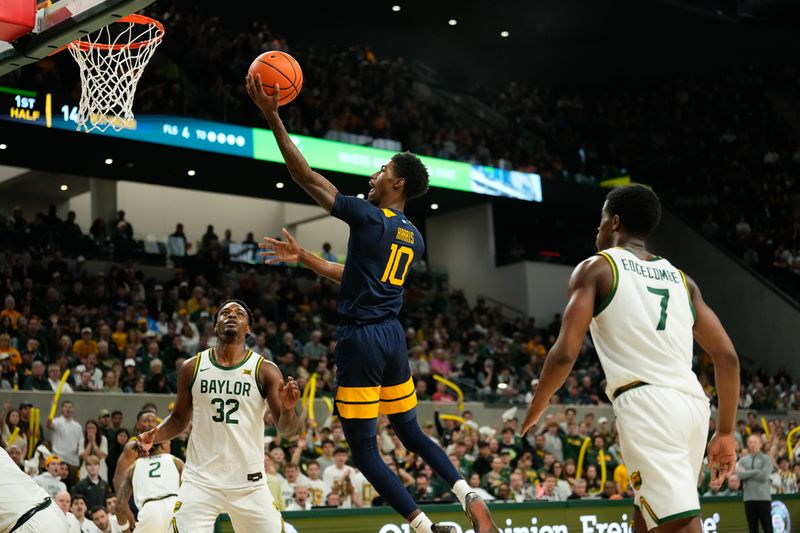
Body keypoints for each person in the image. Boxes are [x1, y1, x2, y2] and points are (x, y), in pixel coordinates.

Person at [248, 73, 499, 533]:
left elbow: (304, 177)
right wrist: (304, 257)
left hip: (361, 340)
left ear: (397, 183)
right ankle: (468, 494)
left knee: (363, 450)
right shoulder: (415, 238)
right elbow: (355, 276)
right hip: (392, 337)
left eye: (381, 170)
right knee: (411, 432)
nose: (373, 175)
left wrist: (272, 117)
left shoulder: (367, 215)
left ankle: (425, 528)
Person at [520, 184, 740, 533]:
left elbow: (564, 354)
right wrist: (725, 431)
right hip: (693, 407)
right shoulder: (683, 281)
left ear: (615, 222)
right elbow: (726, 356)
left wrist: (538, 403)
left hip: (648, 406)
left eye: (601, 221)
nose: (598, 229)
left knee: (680, 523)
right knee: (650, 514)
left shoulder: (596, 268)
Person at [137, 299, 300, 532]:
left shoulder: (265, 370)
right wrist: (157, 434)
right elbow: (179, 420)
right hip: (201, 481)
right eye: (225, 313)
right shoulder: (191, 367)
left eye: (239, 313)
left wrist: (288, 410)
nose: (232, 315)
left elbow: (287, 431)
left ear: (249, 328)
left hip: (249, 483)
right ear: (215, 326)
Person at [116, 441, 183, 533]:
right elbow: (191, 492)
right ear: (163, 445)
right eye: (169, 444)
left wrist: (125, 530)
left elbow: (119, 506)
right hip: (175, 508)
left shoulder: (133, 468)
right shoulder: (176, 461)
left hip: (149, 512)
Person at [0, 447, 69, 531]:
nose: (56, 467)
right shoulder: (38, 479)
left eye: (57, 464)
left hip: (31, 523)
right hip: (53, 513)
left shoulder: (62, 485)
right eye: (53, 464)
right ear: (46, 466)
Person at [737, 434, 774, 533]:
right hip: (748, 499)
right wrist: (756, 471)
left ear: (760, 444)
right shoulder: (743, 460)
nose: (752, 444)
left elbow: (764, 476)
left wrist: (747, 473)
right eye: (750, 442)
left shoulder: (766, 459)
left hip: (763, 498)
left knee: (768, 528)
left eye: (755, 442)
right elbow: (739, 475)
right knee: (752, 528)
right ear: (747, 444)